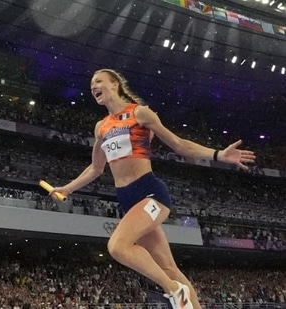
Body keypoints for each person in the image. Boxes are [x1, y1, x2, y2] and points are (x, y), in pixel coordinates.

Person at [50, 69, 255, 309]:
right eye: (91, 83)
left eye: (98, 81)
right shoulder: (101, 127)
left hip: (150, 194)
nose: (92, 86)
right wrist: (67, 188)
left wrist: (218, 154)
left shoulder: (140, 113)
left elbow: (178, 144)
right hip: (128, 201)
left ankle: (172, 290)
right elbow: (96, 168)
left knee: (117, 247)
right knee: (168, 267)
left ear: (114, 84)